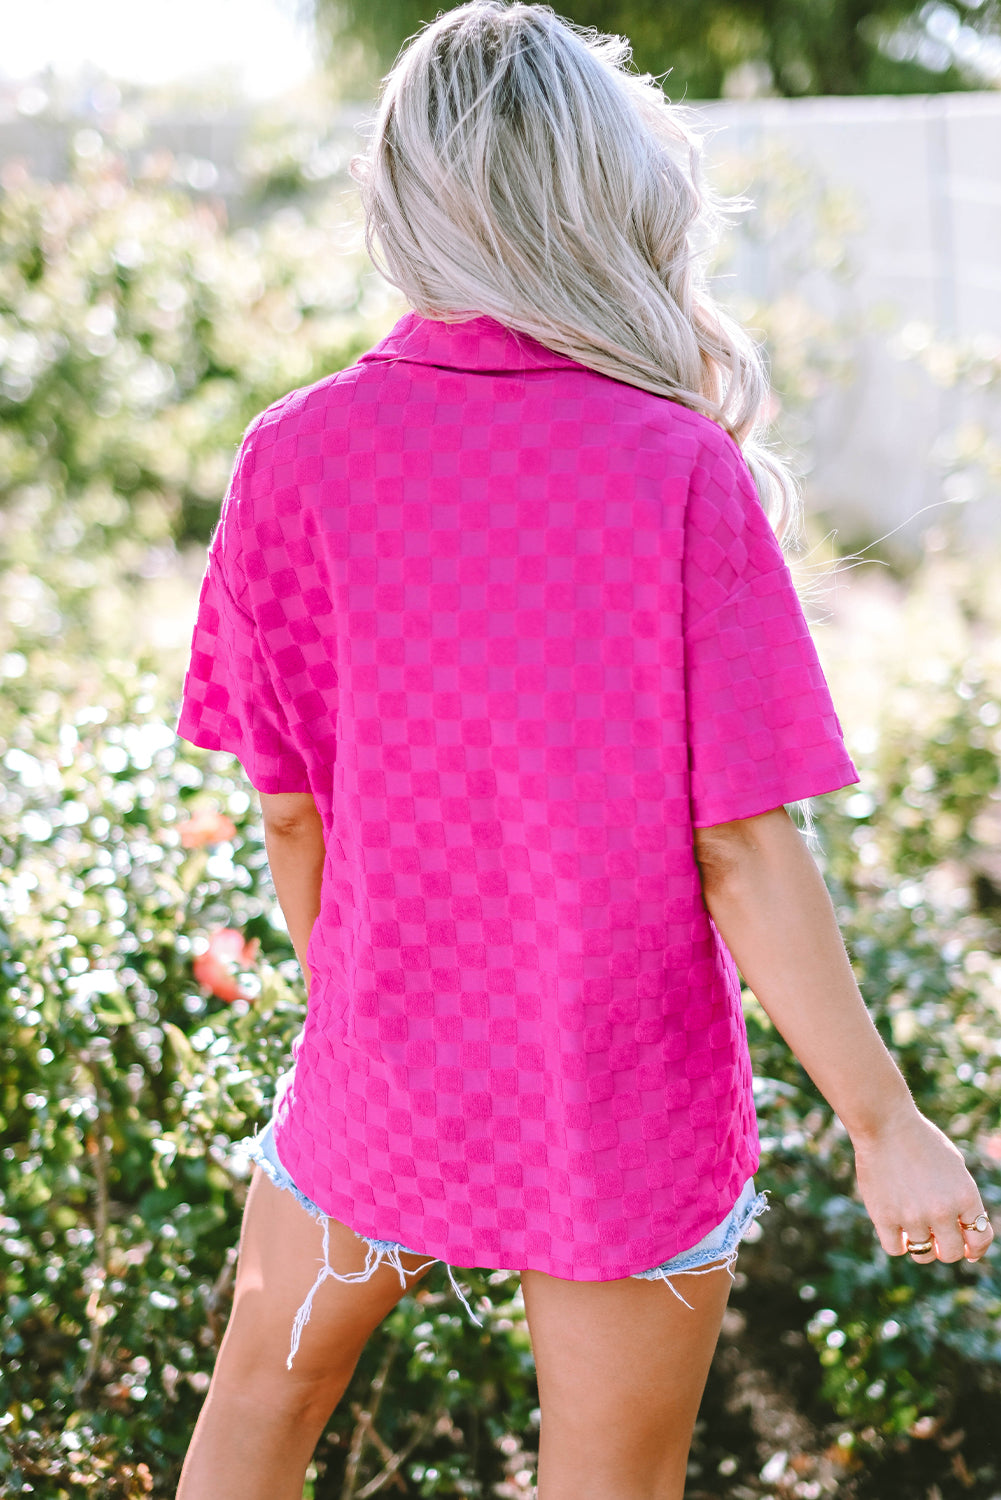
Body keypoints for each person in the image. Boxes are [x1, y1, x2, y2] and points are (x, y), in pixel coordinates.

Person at [172, 4, 994, 1497]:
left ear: (403, 198)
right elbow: (740, 846)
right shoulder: (673, 467)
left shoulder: (291, 455)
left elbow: (288, 810)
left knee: (253, 1417)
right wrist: (886, 1125)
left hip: (378, 1074)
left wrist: (365, 1008)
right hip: (618, 1103)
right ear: (609, 191)